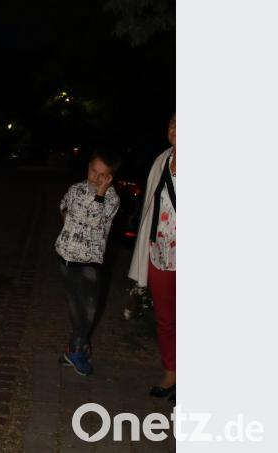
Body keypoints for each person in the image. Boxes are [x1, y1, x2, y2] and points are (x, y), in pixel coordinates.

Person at [55, 149, 121, 376]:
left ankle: (75, 348)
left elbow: (94, 221)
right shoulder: (76, 188)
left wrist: (100, 194)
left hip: (90, 259)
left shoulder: (111, 199)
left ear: (110, 177)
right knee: (75, 306)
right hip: (67, 256)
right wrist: (67, 221)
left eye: (102, 174)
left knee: (90, 308)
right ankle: (77, 347)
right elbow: (63, 204)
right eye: (93, 170)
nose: (95, 177)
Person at [129, 113, 176, 401]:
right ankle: (172, 371)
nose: (175, 130)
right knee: (165, 318)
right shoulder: (162, 161)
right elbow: (149, 207)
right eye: (172, 124)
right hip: (160, 252)